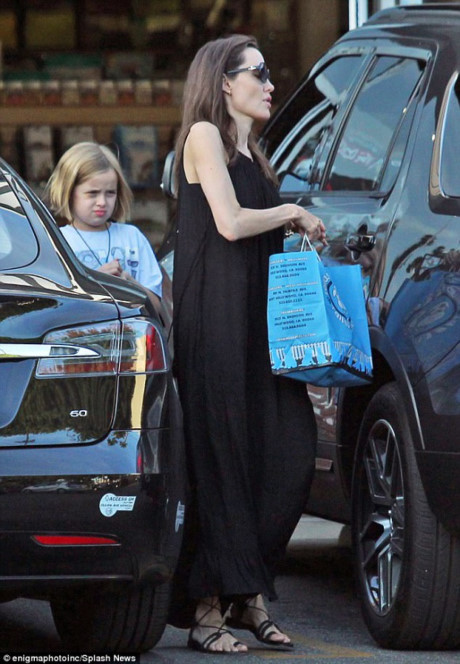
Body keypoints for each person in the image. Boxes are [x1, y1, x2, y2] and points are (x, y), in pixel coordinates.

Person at [171, 34, 327, 654]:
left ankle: (246, 589)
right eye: (257, 72)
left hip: (259, 326)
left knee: (288, 450)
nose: (269, 83)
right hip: (215, 322)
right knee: (223, 458)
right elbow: (231, 224)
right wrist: (291, 211)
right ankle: (211, 607)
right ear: (223, 81)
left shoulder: (254, 153)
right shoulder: (204, 136)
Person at [44, 142, 162, 308]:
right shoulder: (56, 242)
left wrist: (130, 285)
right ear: (68, 192)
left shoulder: (132, 237)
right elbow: (54, 307)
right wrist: (92, 283)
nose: (102, 202)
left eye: (110, 193)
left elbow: (157, 307)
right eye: (92, 193)